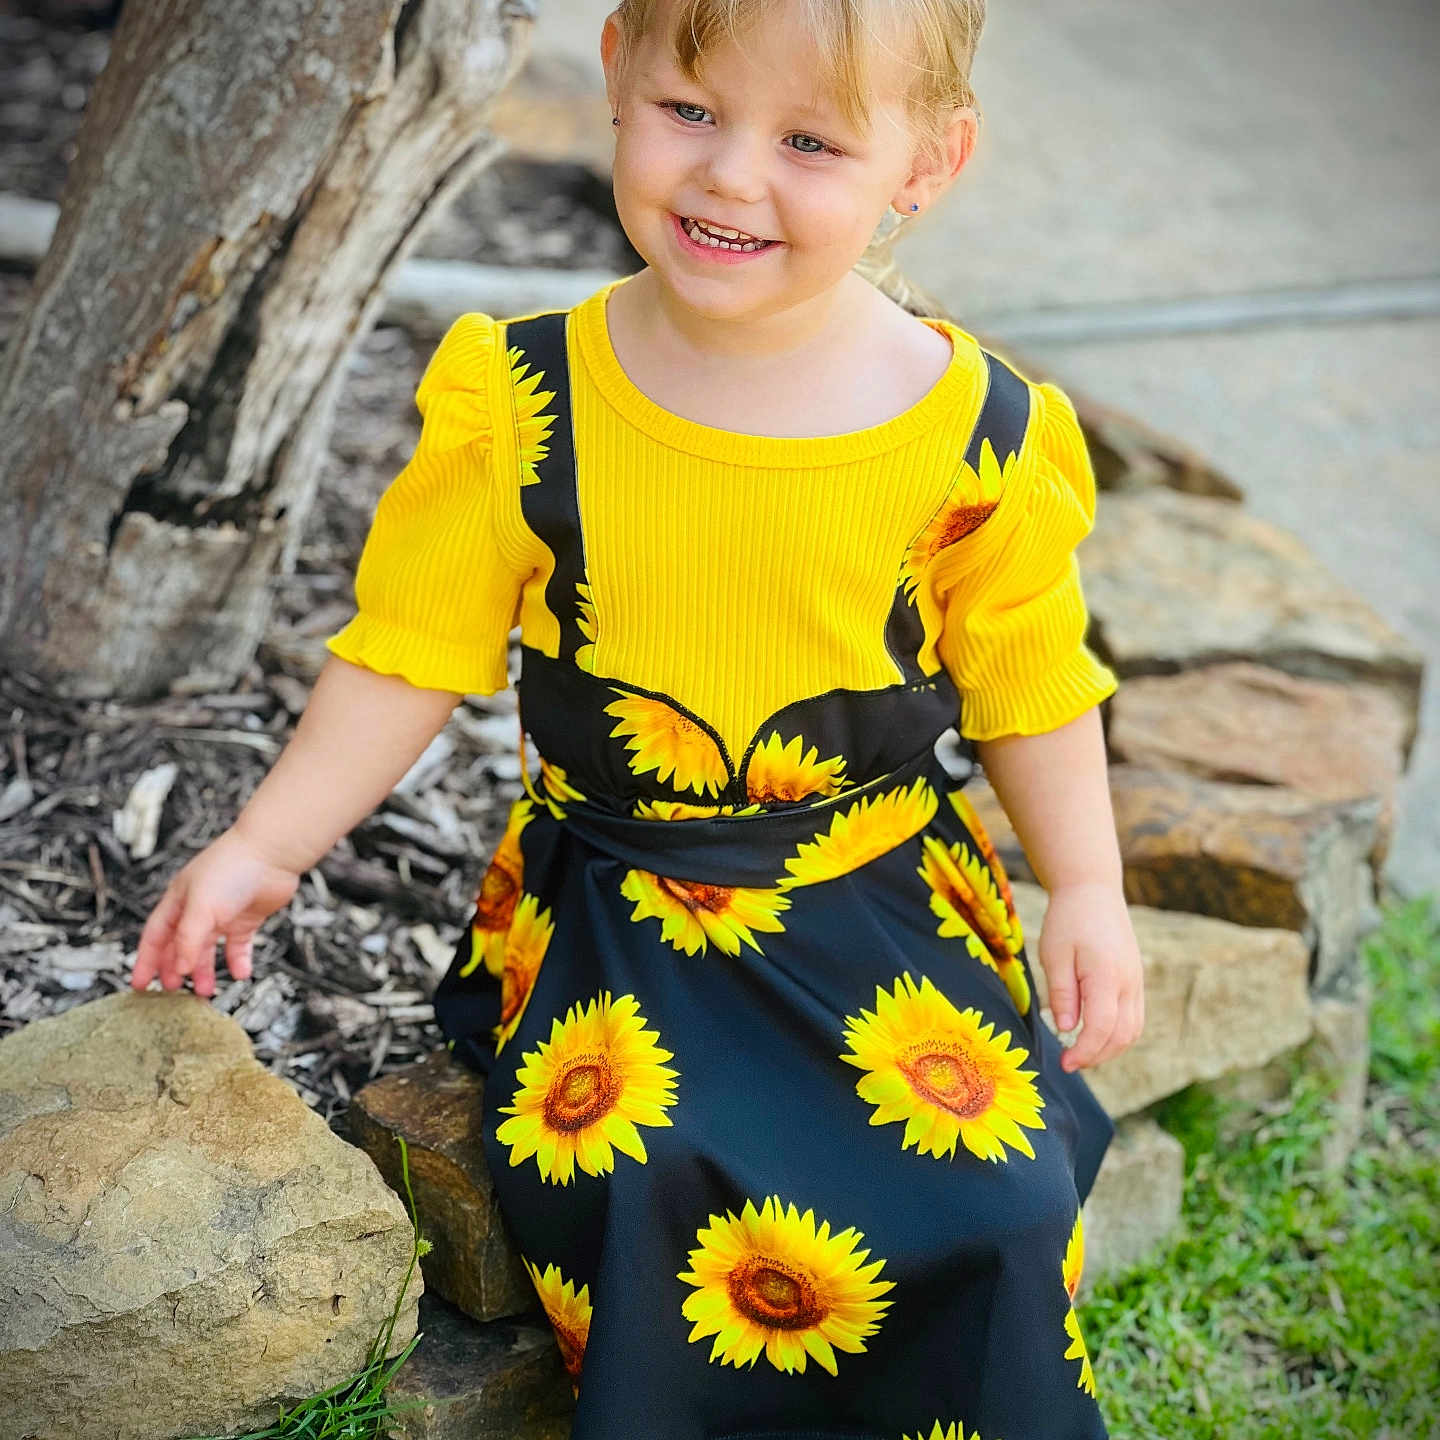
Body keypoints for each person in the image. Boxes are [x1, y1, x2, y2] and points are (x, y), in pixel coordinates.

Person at [132, 0, 1145, 1434]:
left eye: (810, 138)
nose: (732, 176)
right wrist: (265, 842)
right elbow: (413, 652)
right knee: (653, 1172)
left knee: (1000, 1188)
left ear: (928, 159)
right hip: (620, 899)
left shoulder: (971, 428)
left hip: (876, 898)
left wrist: (1088, 889)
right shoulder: (530, 395)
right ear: (615, 73)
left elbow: (1033, 685)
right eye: (692, 110)